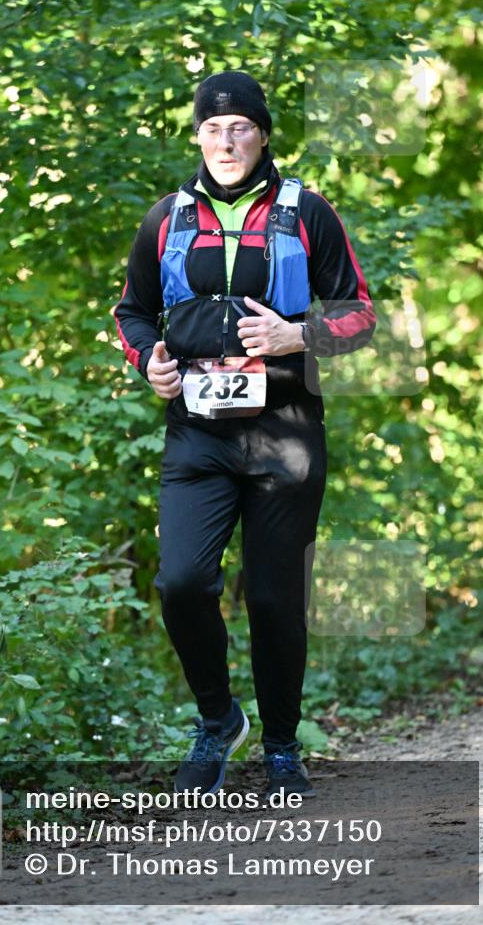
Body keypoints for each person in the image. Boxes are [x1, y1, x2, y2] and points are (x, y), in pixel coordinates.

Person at [114, 71, 376, 798]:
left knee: (271, 599)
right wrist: (150, 362)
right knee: (182, 583)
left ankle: (283, 746)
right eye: (211, 128)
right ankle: (217, 719)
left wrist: (299, 333)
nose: (225, 141)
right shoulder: (167, 217)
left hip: (285, 432)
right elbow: (131, 312)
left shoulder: (306, 211)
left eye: (239, 128)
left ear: (262, 135)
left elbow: (358, 314)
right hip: (196, 431)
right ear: (196, 136)